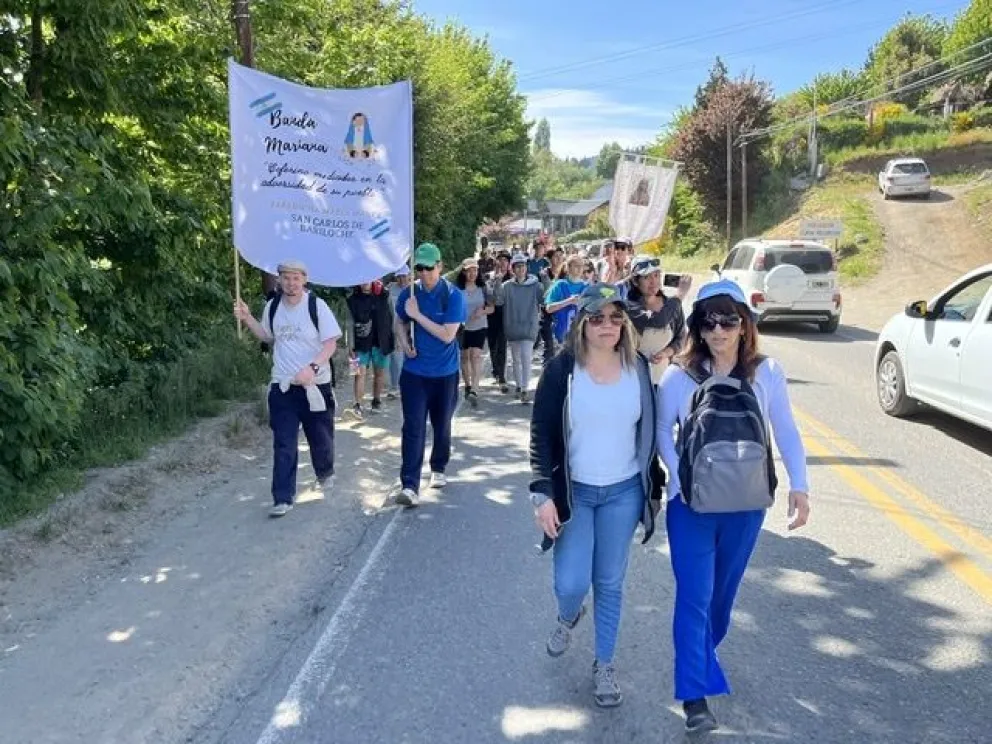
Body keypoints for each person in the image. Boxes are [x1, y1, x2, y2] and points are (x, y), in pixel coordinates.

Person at [657, 279, 811, 733]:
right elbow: (663, 430)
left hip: (746, 505)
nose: (719, 330)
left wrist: (800, 486)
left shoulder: (768, 373)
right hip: (692, 506)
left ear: (745, 324)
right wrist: (678, 480)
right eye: (709, 321)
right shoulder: (678, 375)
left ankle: (702, 653)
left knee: (721, 600)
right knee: (694, 596)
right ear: (698, 326)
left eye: (729, 319)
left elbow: (785, 430)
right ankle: (694, 696)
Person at [529, 283, 664, 708]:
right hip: (576, 494)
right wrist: (542, 493)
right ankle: (569, 614)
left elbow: (650, 434)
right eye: (597, 317)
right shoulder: (561, 370)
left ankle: (604, 664)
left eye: (615, 317)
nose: (608, 325)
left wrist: (656, 487)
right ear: (582, 323)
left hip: (623, 493)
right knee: (570, 582)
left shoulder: (639, 367)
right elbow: (541, 435)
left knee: (609, 581)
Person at [233, 260, 342, 518]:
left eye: (296, 278)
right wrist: (247, 318)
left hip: (315, 385)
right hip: (282, 386)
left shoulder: (317, 306)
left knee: (321, 439)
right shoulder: (273, 307)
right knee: (284, 442)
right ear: (279, 281)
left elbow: (330, 344)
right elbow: (268, 336)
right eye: (286, 278)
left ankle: (325, 472)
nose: (291, 283)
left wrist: (312, 369)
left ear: (304, 280)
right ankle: (283, 496)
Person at [391, 243, 467, 507]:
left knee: (441, 424)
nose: (423, 273)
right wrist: (403, 343)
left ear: (440, 266)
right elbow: (399, 321)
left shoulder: (453, 296)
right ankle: (409, 484)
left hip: (445, 373)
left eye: (428, 268)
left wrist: (418, 316)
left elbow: (448, 335)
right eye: (419, 268)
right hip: (414, 373)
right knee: (412, 427)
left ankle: (438, 466)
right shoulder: (408, 294)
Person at [625, 255, 691, 384]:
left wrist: (667, 352)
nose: (653, 281)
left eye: (656, 275)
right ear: (635, 281)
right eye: (646, 277)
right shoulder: (630, 307)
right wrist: (679, 296)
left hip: (664, 377)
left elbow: (681, 336)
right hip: (636, 377)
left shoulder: (671, 305)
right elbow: (657, 321)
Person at [345, 280, 394, 418]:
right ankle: (357, 405)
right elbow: (349, 323)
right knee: (359, 374)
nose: (365, 282)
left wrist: (395, 338)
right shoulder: (352, 299)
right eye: (361, 279)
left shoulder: (385, 294)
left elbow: (393, 316)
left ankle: (376, 400)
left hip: (382, 340)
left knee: (379, 373)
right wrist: (350, 345)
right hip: (360, 343)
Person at [502, 253, 544, 404]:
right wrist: (495, 282)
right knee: (516, 358)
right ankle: (519, 385)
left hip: (529, 325)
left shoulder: (536, 285)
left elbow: (544, 299)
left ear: (527, 268)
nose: (521, 269)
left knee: (526, 357)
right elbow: (498, 300)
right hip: (512, 326)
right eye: (517, 266)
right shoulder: (506, 286)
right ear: (513, 269)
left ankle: (525, 388)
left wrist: (545, 279)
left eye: (523, 266)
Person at [456, 257, 494, 408]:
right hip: (463, 327)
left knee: (476, 355)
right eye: (469, 270)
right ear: (464, 272)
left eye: (475, 270)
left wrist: (482, 311)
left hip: (480, 325)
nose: (472, 273)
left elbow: (492, 308)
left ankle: (475, 389)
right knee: (465, 357)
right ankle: (467, 384)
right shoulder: (458, 290)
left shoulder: (483, 287)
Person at [543, 255, 588, 345]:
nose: (579, 269)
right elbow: (549, 308)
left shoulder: (586, 287)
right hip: (560, 335)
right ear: (568, 268)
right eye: (576, 266)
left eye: (581, 266)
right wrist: (568, 301)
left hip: (581, 337)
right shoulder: (560, 285)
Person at [487, 251, 513, 394]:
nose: (503, 262)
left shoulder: (512, 278)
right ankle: (495, 369)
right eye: (500, 260)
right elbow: (487, 294)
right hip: (491, 314)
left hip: (506, 314)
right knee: (492, 345)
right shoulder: (490, 277)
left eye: (505, 260)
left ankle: (501, 375)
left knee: (502, 344)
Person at [386, 265, 412, 399]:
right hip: (392, 327)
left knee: (402, 357)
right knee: (394, 359)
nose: (402, 279)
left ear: (409, 275)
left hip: (408, 328)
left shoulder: (413, 290)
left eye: (404, 276)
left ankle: (399, 386)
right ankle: (395, 386)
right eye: (399, 276)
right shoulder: (391, 289)